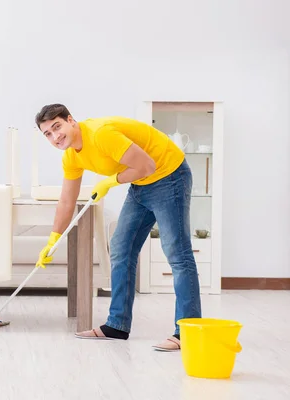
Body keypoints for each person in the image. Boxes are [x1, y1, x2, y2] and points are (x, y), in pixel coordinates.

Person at [34, 103, 201, 351]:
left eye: (57, 127)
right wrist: (53, 239)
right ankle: (117, 325)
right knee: (122, 249)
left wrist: (110, 182)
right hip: (141, 184)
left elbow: (147, 165)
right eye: (47, 133)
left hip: (169, 175)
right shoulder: (71, 156)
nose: (55, 136)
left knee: (177, 253)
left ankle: (187, 332)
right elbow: (67, 200)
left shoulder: (101, 134)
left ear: (71, 120)